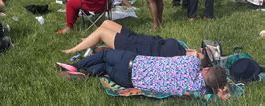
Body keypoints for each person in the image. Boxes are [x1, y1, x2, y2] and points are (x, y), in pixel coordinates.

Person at [70, 49, 230, 101]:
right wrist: (219, 89)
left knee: (105, 54)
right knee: (104, 67)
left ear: (207, 69)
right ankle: (87, 73)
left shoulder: (192, 63)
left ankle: (74, 66)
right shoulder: (198, 91)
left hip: (131, 60)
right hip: (126, 79)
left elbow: (195, 56)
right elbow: (219, 96)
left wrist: (201, 58)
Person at [62, 20, 188, 57]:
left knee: (102, 32)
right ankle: (89, 40)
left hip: (136, 47)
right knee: (106, 23)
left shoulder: (181, 60)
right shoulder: (184, 50)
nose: (200, 51)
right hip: (138, 38)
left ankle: (71, 51)